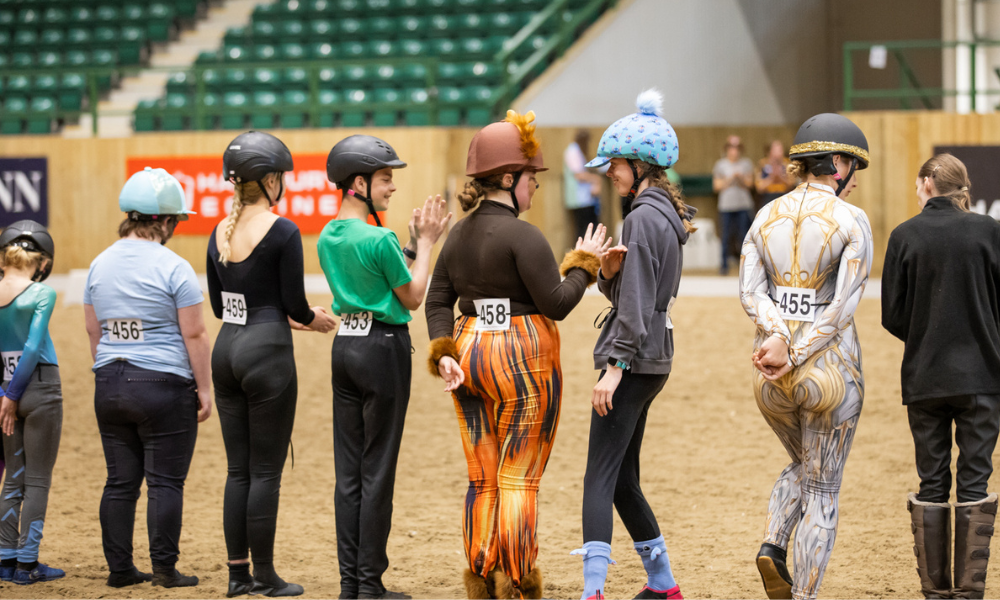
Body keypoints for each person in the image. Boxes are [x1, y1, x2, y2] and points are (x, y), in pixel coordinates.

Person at [424, 109, 605, 600]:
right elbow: (558, 303)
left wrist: (443, 352)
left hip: (466, 352)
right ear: (508, 178)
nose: (534, 189)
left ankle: (482, 575)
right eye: (531, 180)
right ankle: (518, 580)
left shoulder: (457, 235)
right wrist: (584, 263)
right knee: (518, 478)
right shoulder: (524, 236)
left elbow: (437, 300)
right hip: (522, 356)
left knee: (482, 478)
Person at [741, 113, 873, 600]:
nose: (853, 180)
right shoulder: (852, 220)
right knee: (822, 488)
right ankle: (805, 597)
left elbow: (752, 295)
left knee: (804, 464)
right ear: (837, 164)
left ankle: (774, 545)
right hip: (829, 369)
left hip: (768, 370)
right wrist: (797, 351)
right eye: (851, 168)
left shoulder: (763, 216)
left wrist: (778, 340)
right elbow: (841, 307)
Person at [570, 90, 696, 600]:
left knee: (598, 476)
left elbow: (639, 302)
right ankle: (663, 584)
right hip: (655, 354)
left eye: (616, 165)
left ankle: (592, 591)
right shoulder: (661, 213)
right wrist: (607, 274)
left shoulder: (641, 219)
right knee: (622, 477)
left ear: (641, 165)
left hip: (634, 356)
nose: (610, 173)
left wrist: (615, 364)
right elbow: (639, 290)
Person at [319, 134, 450, 600]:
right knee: (378, 469)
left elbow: (383, 278)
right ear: (359, 183)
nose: (391, 187)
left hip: (346, 348)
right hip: (382, 349)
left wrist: (411, 244)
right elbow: (411, 297)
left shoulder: (329, 235)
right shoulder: (378, 237)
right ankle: (371, 584)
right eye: (385, 178)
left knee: (349, 472)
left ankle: (350, 584)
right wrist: (429, 242)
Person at [208, 131, 337, 598]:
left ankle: (237, 574)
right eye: (280, 177)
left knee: (237, 471)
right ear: (267, 181)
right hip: (266, 354)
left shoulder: (218, 232)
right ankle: (265, 575)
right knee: (266, 471)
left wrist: (287, 320)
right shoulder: (283, 231)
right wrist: (312, 321)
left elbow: (223, 307)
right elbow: (294, 303)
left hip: (227, 350)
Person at [83, 169, 212, 589]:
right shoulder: (174, 266)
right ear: (168, 221)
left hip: (109, 380)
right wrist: (205, 388)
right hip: (163, 385)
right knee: (165, 481)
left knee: (120, 483)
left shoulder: (98, 264)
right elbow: (194, 333)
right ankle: (164, 570)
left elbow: (93, 331)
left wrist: (108, 374)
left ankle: (120, 570)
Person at [882, 153, 1000, 599]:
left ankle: (935, 594)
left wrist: (926, 336)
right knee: (975, 482)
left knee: (932, 482)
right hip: (984, 378)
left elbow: (892, 315)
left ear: (929, 181)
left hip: (925, 378)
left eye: (918, 182)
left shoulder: (904, 235)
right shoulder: (990, 232)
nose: (916, 190)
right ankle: (969, 594)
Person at [0, 220, 63, 586]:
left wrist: (5, 394)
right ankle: (28, 564)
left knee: (13, 478)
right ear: (39, 262)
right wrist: (14, 396)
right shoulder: (42, 294)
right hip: (39, 387)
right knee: (38, 480)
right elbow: (33, 347)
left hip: (5, 386)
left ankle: (5, 558)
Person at [713, 135, 755, 274]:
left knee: (744, 236)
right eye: (731, 147)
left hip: (743, 205)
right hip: (726, 206)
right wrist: (731, 178)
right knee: (725, 236)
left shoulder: (746, 163)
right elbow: (716, 186)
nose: (734, 150)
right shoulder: (720, 164)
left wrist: (741, 178)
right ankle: (724, 266)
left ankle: (746, 266)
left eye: (737, 147)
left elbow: (750, 184)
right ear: (727, 149)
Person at [564, 129, 604, 245]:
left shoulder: (578, 151)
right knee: (583, 231)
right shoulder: (573, 151)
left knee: (588, 230)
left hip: (586, 200)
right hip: (580, 200)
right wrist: (596, 180)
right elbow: (579, 175)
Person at [755, 141, 795, 208]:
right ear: (770, 151)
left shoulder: (788, 164)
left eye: (780, 150)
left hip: (784, 197)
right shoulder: (762, 164)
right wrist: (771, 178)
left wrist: (781, 177)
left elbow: (792, 184)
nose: (778, 153)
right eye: (775, 150)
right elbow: (759, 188)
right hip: (767, 198)